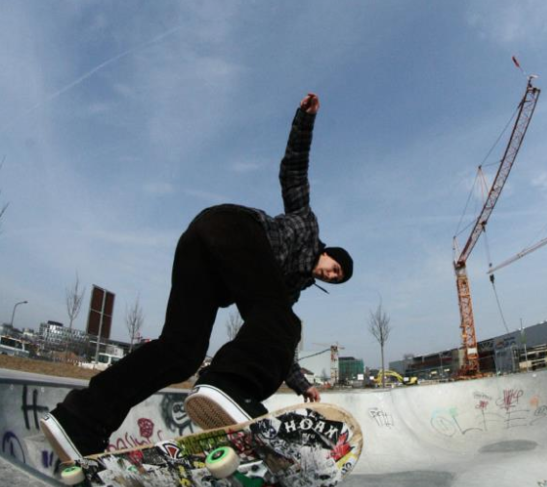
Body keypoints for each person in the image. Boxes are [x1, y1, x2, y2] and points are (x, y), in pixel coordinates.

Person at [41, 92, 353, 462]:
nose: (330, 276)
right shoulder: (307, 223)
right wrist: (305, 121)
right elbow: (294, 172)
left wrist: (301, 384)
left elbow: (273, 340)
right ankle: (229, 385)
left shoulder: (285, 292)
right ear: (329, 252)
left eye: (334, 281)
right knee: (282, 321)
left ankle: (81, 420)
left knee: (181, 352)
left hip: (199, 254)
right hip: (232, 228)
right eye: (335, 269)